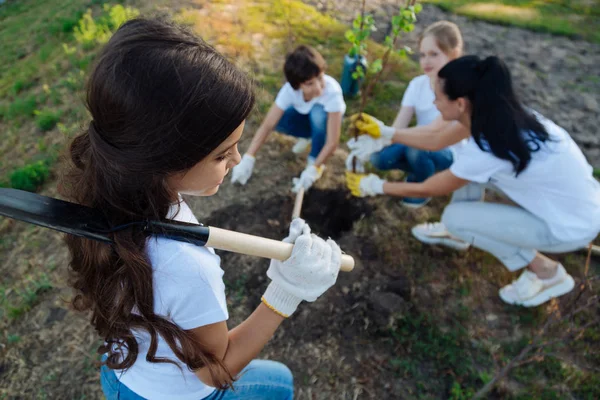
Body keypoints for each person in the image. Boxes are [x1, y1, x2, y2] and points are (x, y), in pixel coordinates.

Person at [60, 18, 342, 399]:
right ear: (163, 158)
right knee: (280, 384)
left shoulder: (110, 188)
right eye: (223, 154)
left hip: (121, 373)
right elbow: (217, 371)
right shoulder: (187, 265)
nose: (239, 159)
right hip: (173, 393)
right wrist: (286, 291)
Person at [347, 55, 600, 307]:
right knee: (464, 163)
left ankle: (546, 272)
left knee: (454, 217)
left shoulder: (489, 148)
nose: (434, 103)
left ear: (460, 104)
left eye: (438, 97)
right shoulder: (496, 115)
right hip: (581, 202)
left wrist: (376, 186)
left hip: (569, 226)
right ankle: (460, 234)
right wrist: (387, 133)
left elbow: (430, 187)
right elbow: (436, 140)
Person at [347, 21, 467, 208]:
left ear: (454, 54)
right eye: (423, 55)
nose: (426, 61)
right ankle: (421, 171)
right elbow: (399, 127)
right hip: (420, 142)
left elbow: (435, 130)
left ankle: (421, 187)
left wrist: (387, 134)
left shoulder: (457, 89)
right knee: (379, 158)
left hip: (448, 151)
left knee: (416, 150)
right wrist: (376, 142)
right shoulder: (417, 85)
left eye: (434, 54)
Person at [231, 45, 346, 193]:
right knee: (279, 119)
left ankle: (315, 155)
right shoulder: (289, 91)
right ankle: (307, 136)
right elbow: (267, 125)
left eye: (320, 78)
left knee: (318, 115)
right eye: (310, 83)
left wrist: (313, 168)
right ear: (297, 85)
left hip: (327, 124)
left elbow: (332, 142)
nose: (318, 88)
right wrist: (249, 157)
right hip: (306, 119)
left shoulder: (332, 92)